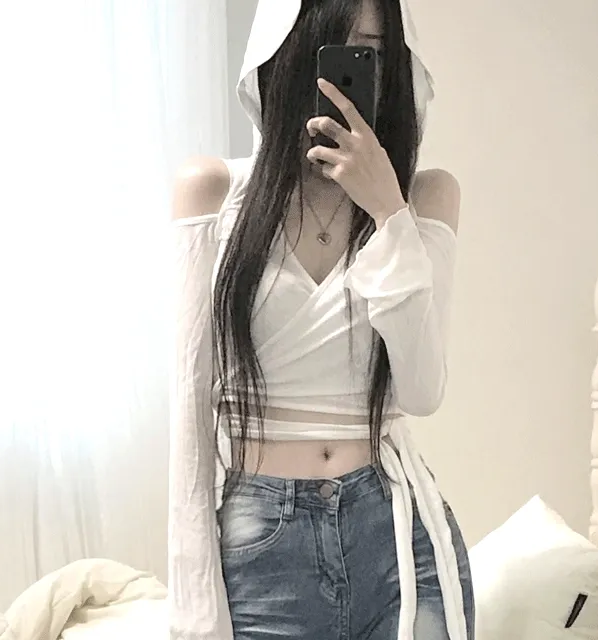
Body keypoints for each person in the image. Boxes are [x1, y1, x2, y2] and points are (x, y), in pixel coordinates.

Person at [168, 0, 474, 638]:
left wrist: (389, 214)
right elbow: (190, 410)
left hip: (395, 533)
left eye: (375, 52)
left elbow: (421, 392)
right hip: (263, 540)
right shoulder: (215, 193)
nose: (358, 73)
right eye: (334, 47)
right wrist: (195, 609)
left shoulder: (425, 198)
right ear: (283, 58)